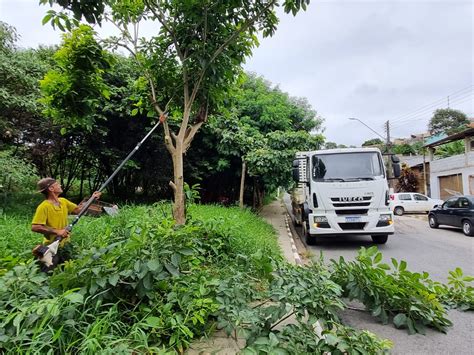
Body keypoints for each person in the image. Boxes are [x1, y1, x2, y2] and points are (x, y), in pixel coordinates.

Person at [31, 177, 101, 271]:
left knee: (68, 271)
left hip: (66, 244)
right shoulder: (44, 206)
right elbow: (35, 227)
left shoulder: (63, 201)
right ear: (51, 188)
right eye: (57, 184)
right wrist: (57, 231)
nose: (60, 185)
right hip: (51, 247)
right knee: (47, 273)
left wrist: (92, 199)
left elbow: (79, 210)